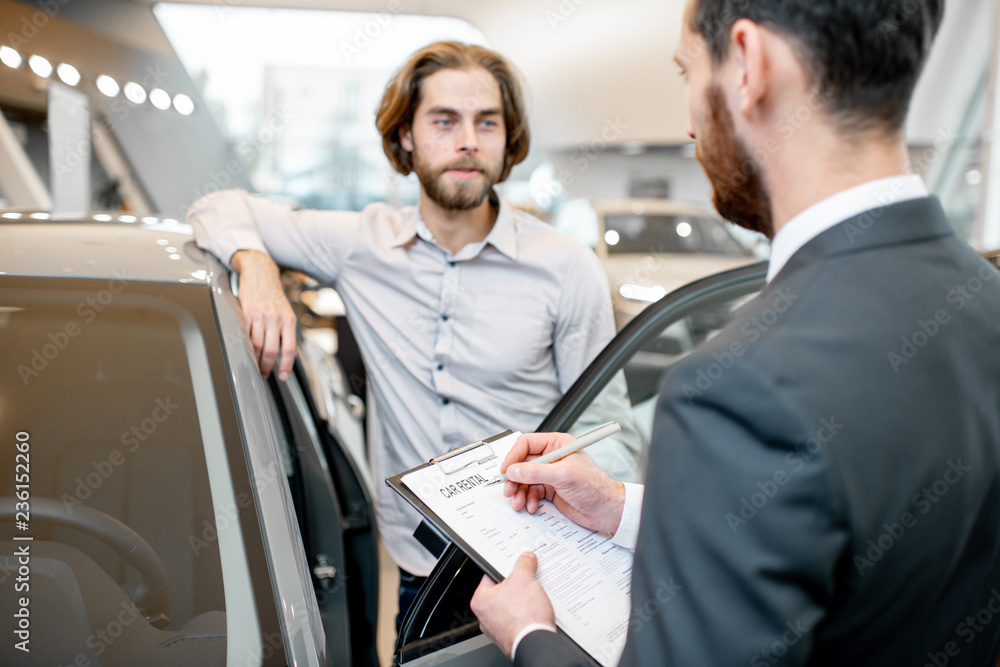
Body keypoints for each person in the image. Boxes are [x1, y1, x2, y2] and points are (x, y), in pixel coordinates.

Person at [471, 0, 1000, 664]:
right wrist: (617, 506)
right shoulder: (984, 301)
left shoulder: (739, 391)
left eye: (687, 71)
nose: (688, 120)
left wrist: (530, 635)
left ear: (747, 64)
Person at [187, 41, 639, 629]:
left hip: (539, 565)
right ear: (405, 136)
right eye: (444, 121)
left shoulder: (566, 266)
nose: (468, 140)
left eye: (487, 123)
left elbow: (607, 428)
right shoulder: (359, 245)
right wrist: (257, 265)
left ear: (509, 142)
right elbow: (215, 205)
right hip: (421, 571)